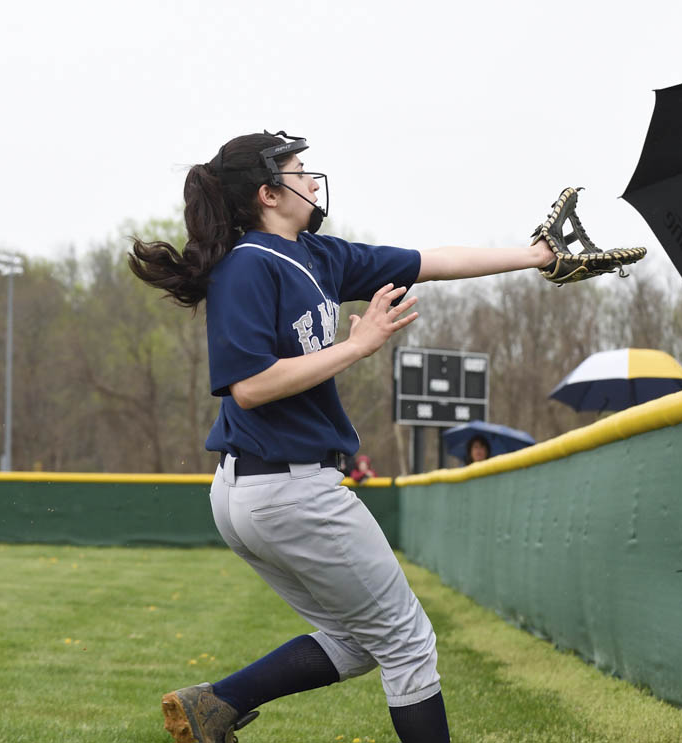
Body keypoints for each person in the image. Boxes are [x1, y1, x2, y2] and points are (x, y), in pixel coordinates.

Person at [128, 130, 555, 743]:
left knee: (362, 640)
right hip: (286, 489)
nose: (311, 180)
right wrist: (355, 346)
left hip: (264, 488)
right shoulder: (247, 264)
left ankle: (217, 704)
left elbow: (432, 262)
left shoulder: (320, 256)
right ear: (268, 193)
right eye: (298, 171)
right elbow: (248, 386)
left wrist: (535, 256)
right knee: (408, 643)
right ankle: (219, 702)